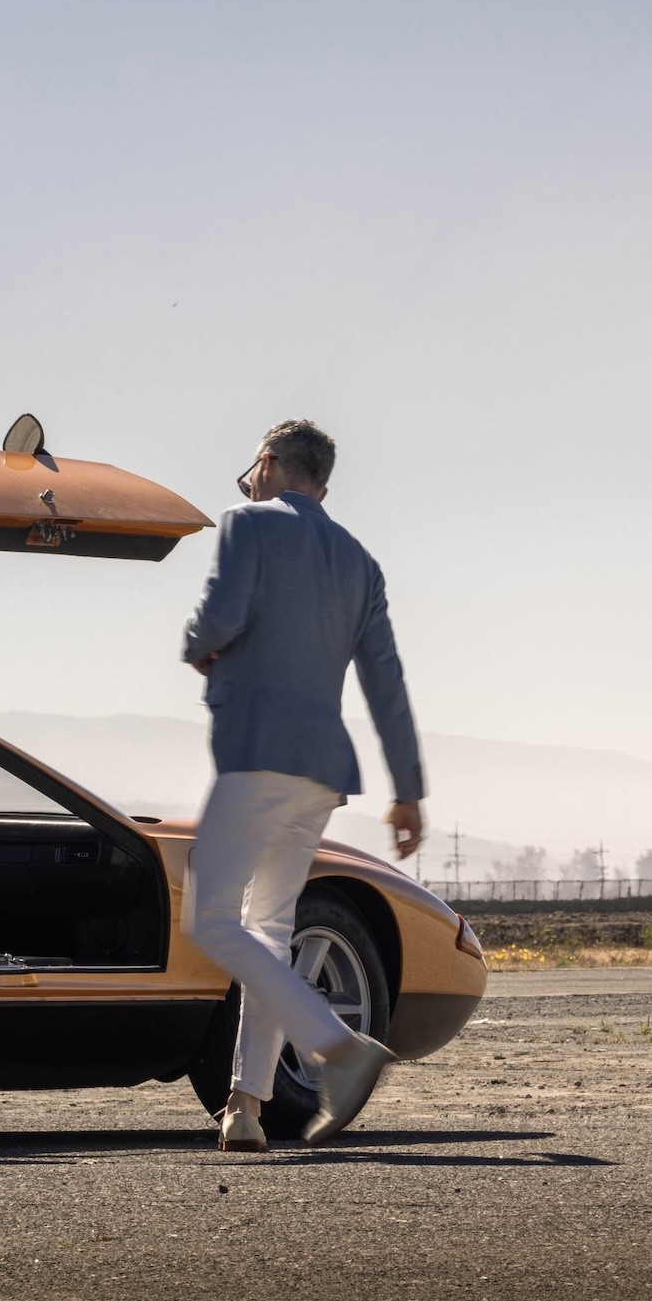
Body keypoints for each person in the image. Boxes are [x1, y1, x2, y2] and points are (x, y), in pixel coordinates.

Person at [182, 419, 424, 1151]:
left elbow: (215, 620)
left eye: (251, 468)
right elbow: (386, 680)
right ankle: (246, 1106)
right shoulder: (360, 562)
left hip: (257, 754)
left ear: (272, 463)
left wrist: (198, 644)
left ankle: (339, 1048)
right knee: (269, 929)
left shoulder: (247, 525)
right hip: (321, 772)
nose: (248, 481)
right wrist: (408, 788)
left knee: (209, 919)